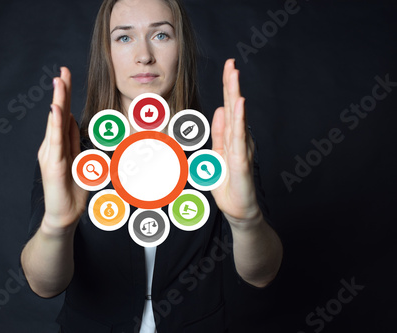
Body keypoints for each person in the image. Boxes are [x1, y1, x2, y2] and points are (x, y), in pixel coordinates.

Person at [20, 0, 283, 332]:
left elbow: (262, 274)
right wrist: (57, 226)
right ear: (106, 52)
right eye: (124, 38)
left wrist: (247, 221)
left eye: (161, 35)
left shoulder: (220, 148)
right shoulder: (72, 152)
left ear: (181, 48)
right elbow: (44, 284)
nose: (144, 54)